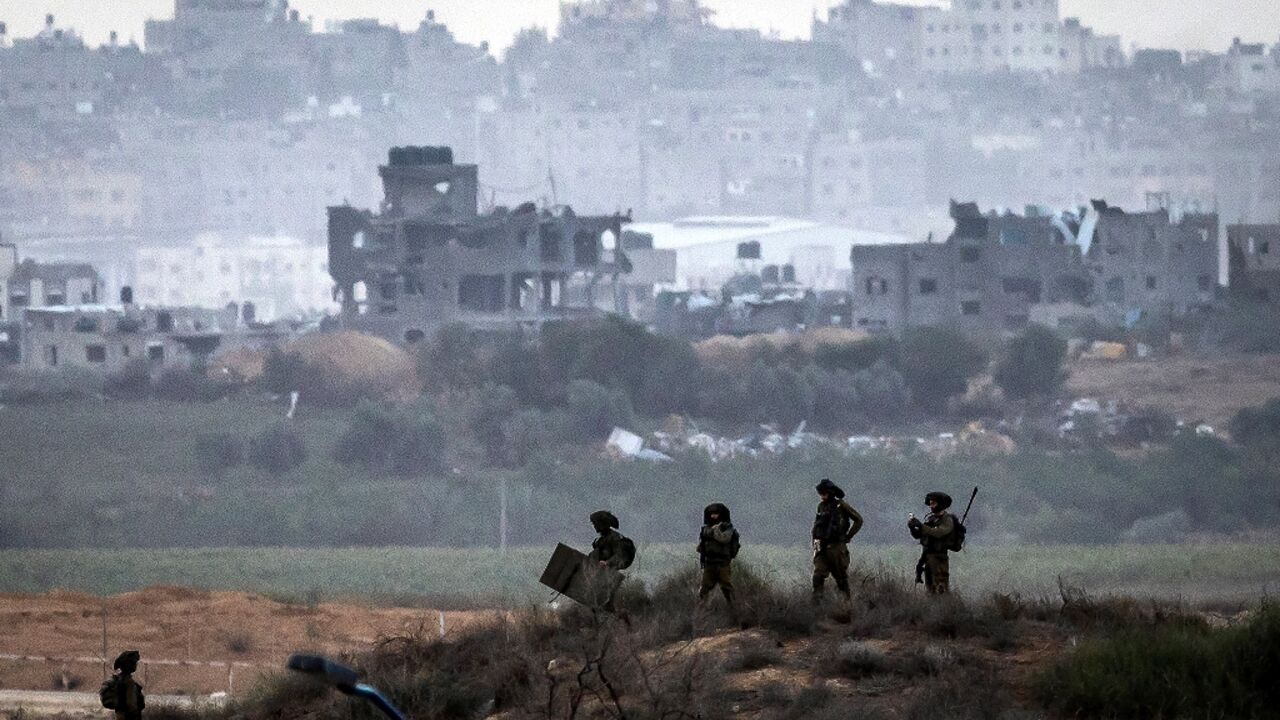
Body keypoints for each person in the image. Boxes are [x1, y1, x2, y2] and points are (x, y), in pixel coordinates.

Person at [811, 478, 864, 604]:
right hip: (822, 548)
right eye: (821, 494)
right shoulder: (821, 507)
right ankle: (817, 609)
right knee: (817, 576)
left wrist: (848, 536)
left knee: (841, 580)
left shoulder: (840, 505)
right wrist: (815, 542)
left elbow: (858, 520)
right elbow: (817, 525)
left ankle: (847, 605)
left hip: (837, 548)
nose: (822, 497)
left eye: (824, 494)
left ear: (829, 493)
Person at [908, 492, 956, 595]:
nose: (931, 506)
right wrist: (913, 527)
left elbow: (939, 533)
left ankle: (946, 609)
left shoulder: (947, 520)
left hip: (939, 559)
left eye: (933, 504)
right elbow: (920, 535)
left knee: (940, 589)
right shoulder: (931, 519)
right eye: (930, 504)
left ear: (941, 504)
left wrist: (921, 526)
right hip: (928, 558)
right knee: (930, 591)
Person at [696, 502, 740, 614]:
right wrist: (712, 531)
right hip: (709, 564)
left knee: (727, 589)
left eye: (716, 514)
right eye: (712, 514)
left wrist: (715, 530)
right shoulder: (706, 529)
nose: (713, 516)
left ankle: (737, 613)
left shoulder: (728, 528)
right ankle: (702, 614)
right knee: (704, 589)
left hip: (723, 564)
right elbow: (701, 546)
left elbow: (724, 539)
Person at [103, 650, 145, 720]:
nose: (136, 664)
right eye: (134, 663)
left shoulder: (119, 680)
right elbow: (131, 705)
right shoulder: (129, 682)